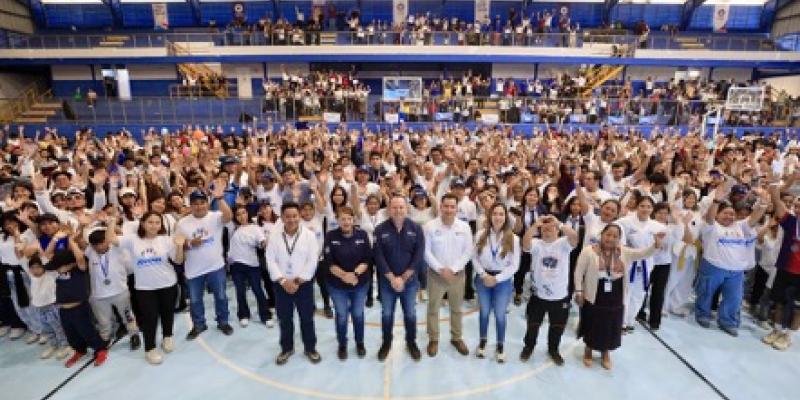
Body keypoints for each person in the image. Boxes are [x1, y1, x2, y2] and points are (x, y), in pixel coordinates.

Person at [574, 224, 664, 370]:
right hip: (594, 292)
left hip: (616, 292)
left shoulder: (624, 252)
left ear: (619, 239)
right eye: (608, 234)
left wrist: (656, 245)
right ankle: (589, 349)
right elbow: (578, 272)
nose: (610, 238)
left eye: (615, 236)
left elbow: (643, 254)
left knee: (611, 323)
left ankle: (605, 352)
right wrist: (578, 291)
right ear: (601, 234)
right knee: (593, 321)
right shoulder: (588, 251)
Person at [695, 182, 767, 336]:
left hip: (736, 272)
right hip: (713, 267)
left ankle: (727, 321)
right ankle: (702, 314)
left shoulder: (740, 226)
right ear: (718, 215)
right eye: (725, 213)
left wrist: (763, 202)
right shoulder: (711, 226)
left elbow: (754, 218)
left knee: (734, 299)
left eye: (732, 214)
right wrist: (716, 201)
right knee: (706, 293)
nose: (729, 216)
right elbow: (709, 217)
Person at [113, 211, 185, 365]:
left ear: (161, 225)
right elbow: (111, 239)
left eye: (157, 222)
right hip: (145, 287)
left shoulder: (166, 240)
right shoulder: (133, 239)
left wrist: (179, 246)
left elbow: (178, 261)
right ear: (143, 223)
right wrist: (112, 221)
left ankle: (167, 337)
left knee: (168, 313)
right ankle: (150, 348)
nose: (154, 225)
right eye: (150, 222)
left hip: (168, 283)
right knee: (149, 318)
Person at [44, 225, 109, 368]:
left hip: (80, 307)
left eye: (58, 266)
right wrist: (56, 238)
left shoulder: (79, 270)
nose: (56, 268)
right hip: (63, 309)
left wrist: (71, 240)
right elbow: (46, 254)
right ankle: (79, 350)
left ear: (69, 263)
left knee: (87, 331)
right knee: (71, 334)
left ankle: (100, 349)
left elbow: (79, 257)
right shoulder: (57, 272)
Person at [176, 181, 234, 340]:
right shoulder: (182, 223)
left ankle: (223, 321)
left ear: (207, 203)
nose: (199, 206)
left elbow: (229, 216)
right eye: (195, 203)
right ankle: (199, 325)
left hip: (216, 266)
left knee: (221, 296)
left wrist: (220, 198)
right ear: (190, 205)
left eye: (202, 203)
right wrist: (189, 243)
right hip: (194, 270)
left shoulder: (215, 216)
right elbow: (178, 244)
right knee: (195, 300)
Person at [266, 202, 322, 365]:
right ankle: (286, 348)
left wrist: (297, 281)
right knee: (284, 318)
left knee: (307, 318)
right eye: (288, 216)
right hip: (281, 284)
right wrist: (283, 281)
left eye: (294, 216)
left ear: (300, 216)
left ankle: (310, 348)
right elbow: (270, 260)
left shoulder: (309, 236)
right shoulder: (275, 236)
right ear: (282, 217)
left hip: (303, 284)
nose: (291, 219)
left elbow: (312, 260)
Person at [521, 214, 578, 365]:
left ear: (557, 231)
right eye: (544, 229)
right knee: (532, 325)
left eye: (550, 229)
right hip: (538, 295)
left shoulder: (564, 243)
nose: (547, 231)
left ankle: (553, 349)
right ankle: (529, 346)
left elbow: (574, 238)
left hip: (559, 296)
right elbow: (525, 245)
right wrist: (534, 225)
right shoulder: (536, 243)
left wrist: (559, 223)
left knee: (557, 327)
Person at [373, 194, 425, 362]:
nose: (398, 210)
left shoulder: (416, 229)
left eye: (401, 207)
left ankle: (411, 342)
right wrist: (392, 278)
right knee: (387, 314)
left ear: (407, 208)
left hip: (409, 282)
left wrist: (403, 278)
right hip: (387, 283)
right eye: (394, 207)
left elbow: (418, 256)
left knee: (410, 314)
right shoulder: (380, 230)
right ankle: (386, 343)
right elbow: (378, 257)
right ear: (389, 209)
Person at [423, 193, 473, 357]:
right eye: (446, 206)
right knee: (433, 308)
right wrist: (440, 269)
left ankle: (456, 337)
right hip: (436, 275)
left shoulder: (464, 227)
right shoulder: (430, 226)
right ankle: (434, 338)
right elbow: (426, 252)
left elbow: (468, 251)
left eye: (452, 207)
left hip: (457, 276)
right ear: (440, 207)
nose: (449, 210)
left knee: (457, 308)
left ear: (457, 209)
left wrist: (453, 268)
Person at [472, 203, 520, 362]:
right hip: (483, 278)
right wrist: (483, 275)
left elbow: (514, 265)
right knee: (484, 312)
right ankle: (483, 341)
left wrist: (497, 279)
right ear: (490, 216)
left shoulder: (513, 238)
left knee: (500, 315)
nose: (498, 217)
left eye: (501, 214)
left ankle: (500, 345)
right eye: (495, 214)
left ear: (506, 217)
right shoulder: (480, 235)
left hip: (503, 280)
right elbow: (474, 258)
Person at [323, 206, 373, 360]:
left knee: (358, 314)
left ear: (353, 220)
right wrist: (344, 275)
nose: (346, 221)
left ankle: (359, 342)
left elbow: (367, 259)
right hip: (337, 285)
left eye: (349, 218)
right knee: (342, 315)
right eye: (342, 219)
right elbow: (329, 262)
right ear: (337, 220)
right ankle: (342, 344)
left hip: (359, 283)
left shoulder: (362, 235)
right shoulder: (330, 236)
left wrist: (355, 273)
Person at [84, 221, 141, 351]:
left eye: (102, 242)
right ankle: (105, 338)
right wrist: (83, 226)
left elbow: (118, 235)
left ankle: (134, 335)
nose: (99, 247)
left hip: (120, 291)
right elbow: (83, 239)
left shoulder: (118, 248)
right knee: (103, 321)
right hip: (99, 296)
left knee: (128, 316)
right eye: (95, 245)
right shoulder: (90, 251)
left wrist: (111, 222)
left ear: (108, 241)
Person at [615, 196, 668, 332]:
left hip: (647, 263)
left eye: (649, 207)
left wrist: (658, 245)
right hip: (629, 261)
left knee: (639, 293)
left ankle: (630, 320)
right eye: (642, 206)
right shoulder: (625, 222)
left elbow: (661, 247)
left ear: (652, 209)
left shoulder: (658, 227)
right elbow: (620, 242)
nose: (645, 209)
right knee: (625, 291)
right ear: (637, 207)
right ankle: (621, 322)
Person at [762, 185, 800, 349]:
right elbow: (777, 202)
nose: (798, 209)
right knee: (779, 302)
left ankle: (788, 336)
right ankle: (777, 331)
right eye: (797, 206)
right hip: (784, 269)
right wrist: (775, 187)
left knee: (798, 308)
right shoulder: (791, 222)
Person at [227, 204, 271, 328]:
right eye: (238, 214)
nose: (242, 216)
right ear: (235, 217)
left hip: (252, 265)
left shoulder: (255, 228)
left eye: (244, 213)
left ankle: (266, 316)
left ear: (248, 214)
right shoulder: (232, 228)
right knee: (240, 291)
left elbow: (262, 242)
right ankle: (243, 315)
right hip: (236, 265)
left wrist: (265, 243)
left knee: (258, 290)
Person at [28, 255, 71, 360]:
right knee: (46, 330)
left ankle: (65, 345)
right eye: (32, 268)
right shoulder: (31, 276)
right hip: (38, 308)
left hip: (51, 307)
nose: (35, 270)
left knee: (58, 328)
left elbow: (49, 261)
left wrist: (42, 254)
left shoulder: (51, 274)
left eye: (38, 267)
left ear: (43, 267)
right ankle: (53, 345)